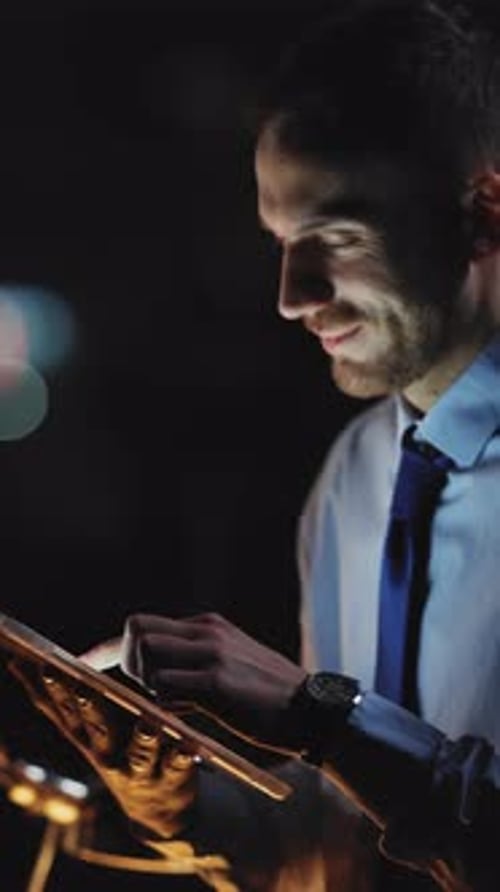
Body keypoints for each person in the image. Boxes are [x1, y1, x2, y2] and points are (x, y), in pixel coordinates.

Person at [9, 0, 500, 889]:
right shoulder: (356, 473)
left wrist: (322, 715)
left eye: (335, 239)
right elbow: (345, 839)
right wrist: (184, 803)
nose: (292, 295)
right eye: (281, 242)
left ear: (483, 210)